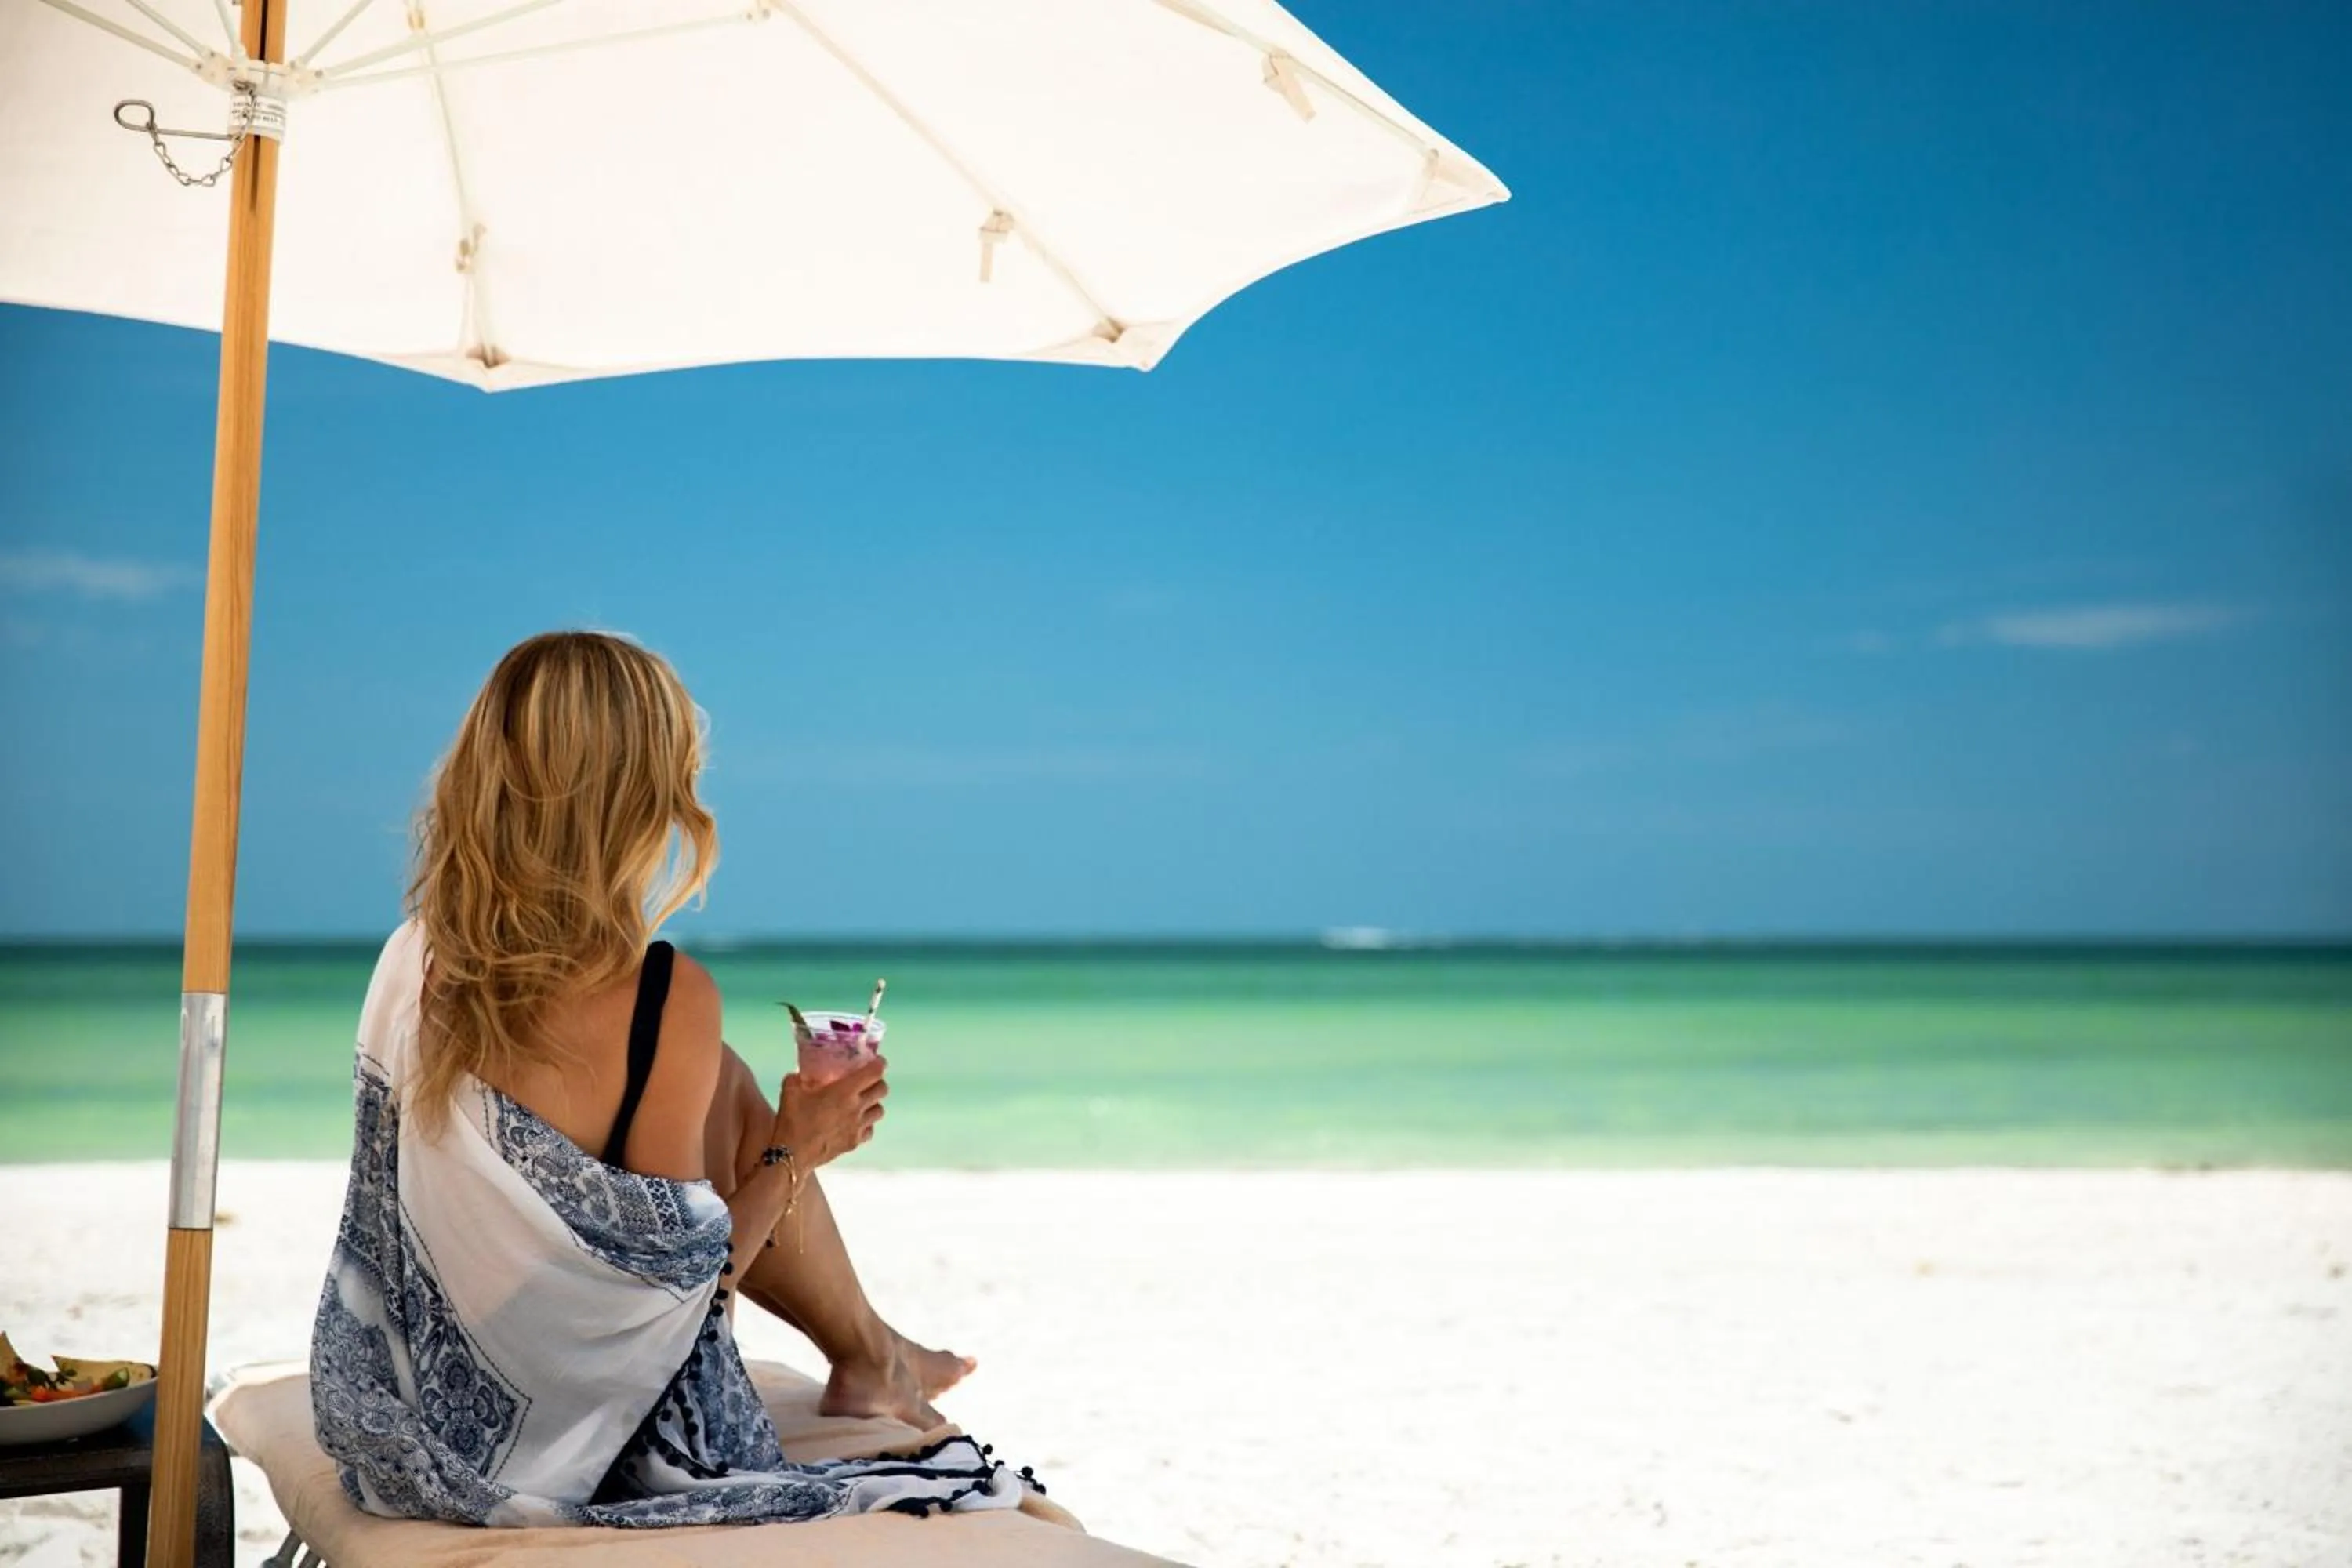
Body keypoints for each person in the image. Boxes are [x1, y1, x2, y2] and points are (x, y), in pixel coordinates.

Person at [308, 630, 1042, 1526]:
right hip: (580, 1433)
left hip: (404, 1414)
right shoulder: (659, 994)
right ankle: (874, 1353)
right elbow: (682, 1301)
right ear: (643, 794)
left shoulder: (412, 961)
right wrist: (795, 1148)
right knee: (723, 1092)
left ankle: (873, 1351)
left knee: (718, 1074)